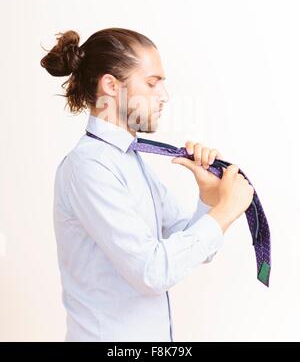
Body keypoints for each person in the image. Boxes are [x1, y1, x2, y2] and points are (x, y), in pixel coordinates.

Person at [40, 28, 254, 342]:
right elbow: (153, 272)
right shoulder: (89, 167)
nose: (164, 96)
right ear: (111, 86)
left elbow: (192, 249)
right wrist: (224, 211)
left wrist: (208, 199)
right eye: (152, 83)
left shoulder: (129, 159)